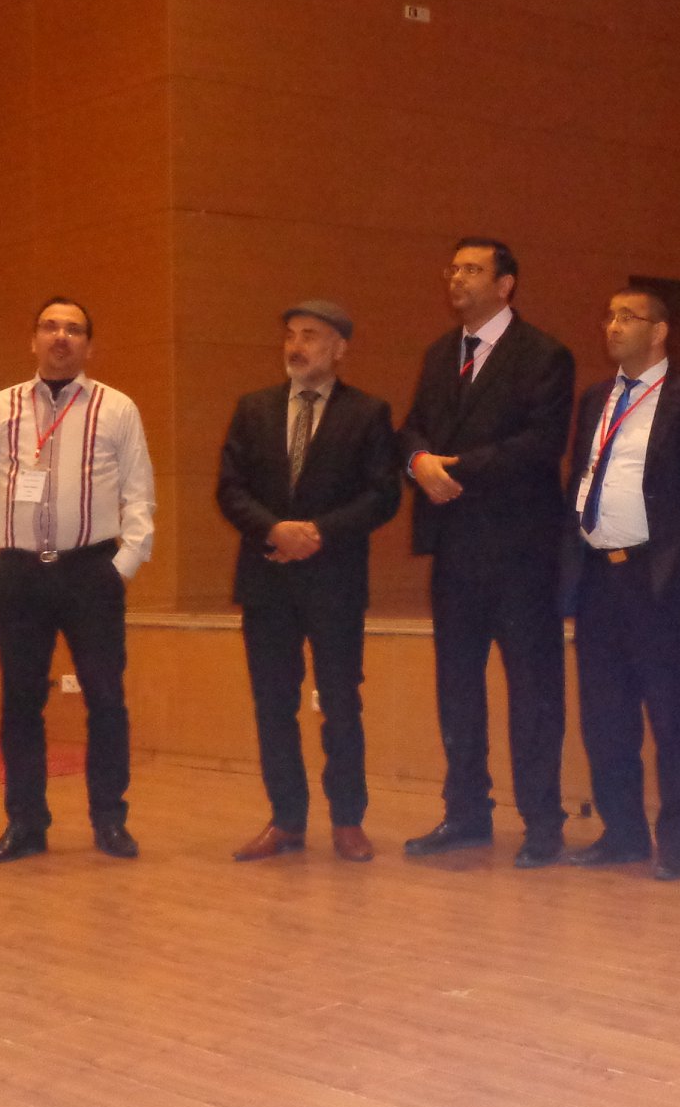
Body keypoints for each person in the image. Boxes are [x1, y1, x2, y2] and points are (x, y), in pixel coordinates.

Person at [562, 288, 680, 881]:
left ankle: (678, 843)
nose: (613, 326)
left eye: (628, 317)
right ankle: (622, 834)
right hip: (599, 576)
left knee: (673, 717)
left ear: (660, 330)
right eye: (609, 315)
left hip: (661, 578)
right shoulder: (595, 399)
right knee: (605, 716)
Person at [0, 296, 155, 865]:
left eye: (73, 329)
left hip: (91, 571)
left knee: (106, 699)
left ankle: (109, 820)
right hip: (17, 574)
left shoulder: (117, 408)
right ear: (33, 340)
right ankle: (25, 824)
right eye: (50, 326)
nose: (60, 336)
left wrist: (121, 568)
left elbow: (140, 496)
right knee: (20, 702)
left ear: (88, 345)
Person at [398, 238, 575, 868]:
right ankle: (467, 814)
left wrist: (454, 469)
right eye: (453, 269)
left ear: (506, 285)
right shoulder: (440, 353)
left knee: (533, 690)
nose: (457, 279)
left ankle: (543, 822)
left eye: (472, 270)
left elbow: (540, 444)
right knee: (457, 687)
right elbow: (413, 426)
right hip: (455, 549)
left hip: (521, 551)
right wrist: (418, 461)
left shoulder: (544, 355)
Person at [217, 300, 401, 863]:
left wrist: (319, 532)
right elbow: (230, 489)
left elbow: (382, 496)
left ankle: (347, 820)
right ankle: (287, 820)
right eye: (291, 335)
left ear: (340, 349)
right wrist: (274, 529)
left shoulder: (367, 413)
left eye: (311, 336)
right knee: (273, 705)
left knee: (340, 703)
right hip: (267, 577)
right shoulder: (253, 408)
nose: (296, 346)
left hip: (334, 580)